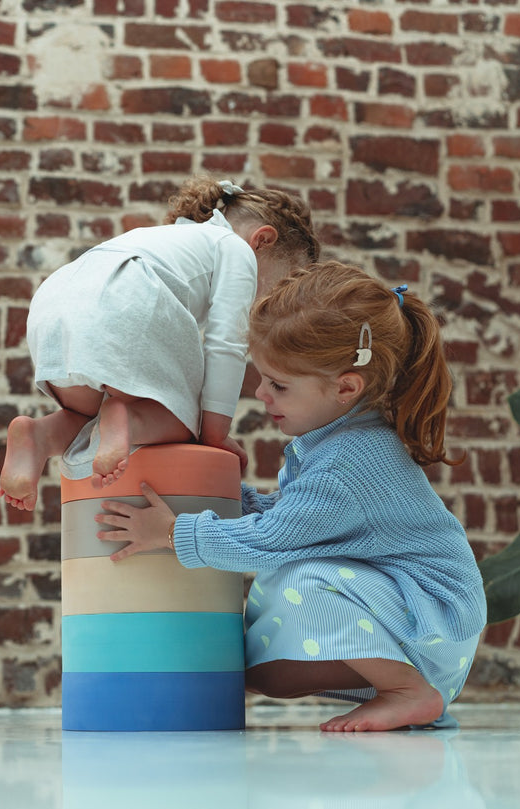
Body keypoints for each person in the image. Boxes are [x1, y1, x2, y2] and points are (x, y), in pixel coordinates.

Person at [94, 261, 487, 732]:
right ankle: (223, 682)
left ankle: (407, 691)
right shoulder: (333, 440)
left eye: (278, 385)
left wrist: (175, 532)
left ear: (345, 387)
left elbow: (273, 540)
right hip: (404, 607)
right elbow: (296, 521)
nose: (261, 394)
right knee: (266, 671)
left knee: (299, 581)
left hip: (433, 615)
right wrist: (217, 497)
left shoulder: (349, 461)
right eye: (261, 378)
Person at [0, 176, 319, 511]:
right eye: (280, 285)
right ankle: (128, 418)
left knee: (87, 412)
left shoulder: (169, 238)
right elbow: (226, 344)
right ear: (262, 241)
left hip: (54, 303)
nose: (272, 301)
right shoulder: (235, 248)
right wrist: (213, 433)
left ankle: (40, 435)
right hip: (124, 298)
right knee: (178, 419)